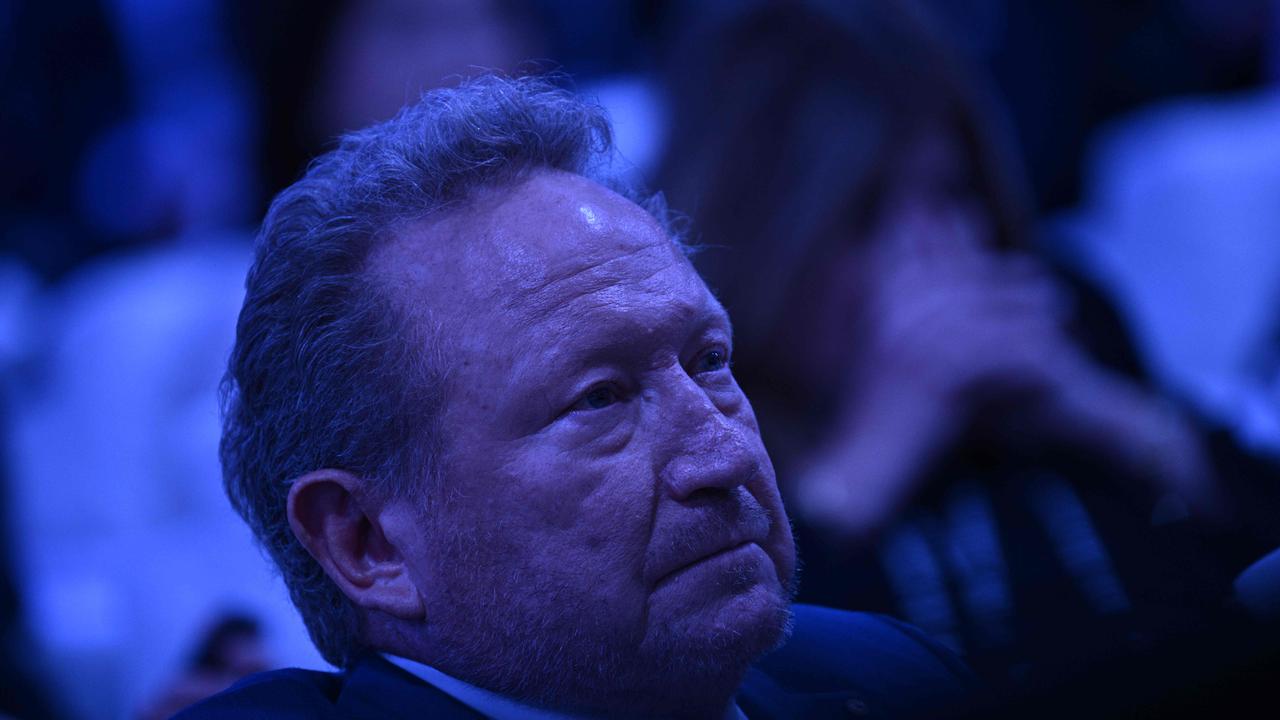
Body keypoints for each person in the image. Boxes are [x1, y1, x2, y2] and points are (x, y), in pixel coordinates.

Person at [173, 76, 972, 719]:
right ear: (367, 543)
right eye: (600, 400)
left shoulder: (899, 682)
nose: (723, 453)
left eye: (710, 360)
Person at [657, 0, 1280, 693]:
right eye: (863, 215)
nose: (931, 254)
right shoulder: (705, 405)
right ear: (766, 237)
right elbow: (743, 669)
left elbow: (1258, 539)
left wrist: (1105, 412)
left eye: (951, 194)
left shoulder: (1056, 307)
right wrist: (878, 447)